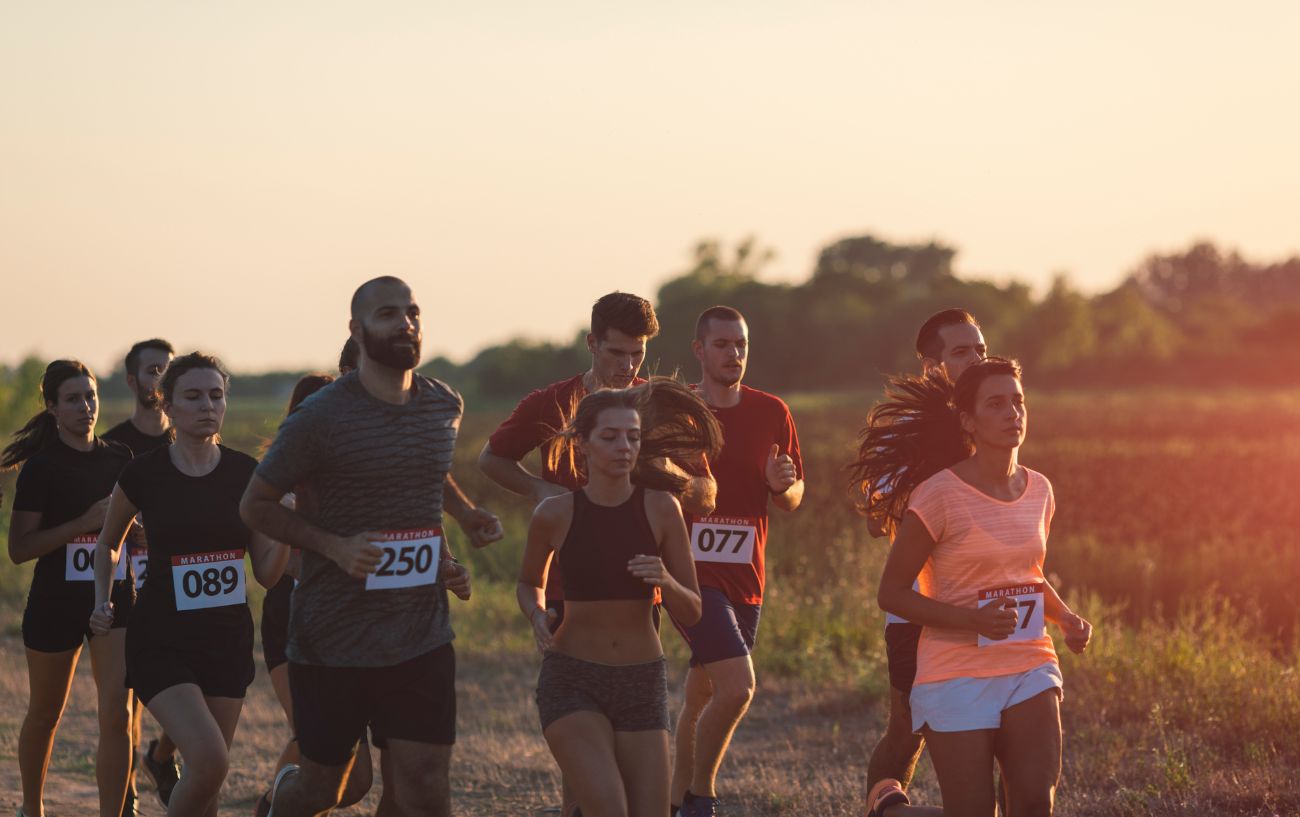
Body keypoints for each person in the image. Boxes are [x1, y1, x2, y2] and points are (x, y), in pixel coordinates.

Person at [242, 276, 472, 817]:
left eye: (413, 312)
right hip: (332, 637)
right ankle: (281, 799)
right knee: (326, 787)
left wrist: (461, 529)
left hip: (420, 633)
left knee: (426, 785)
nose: (406, 324)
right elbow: (255, 505)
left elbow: (425, 480)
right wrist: (335, 547)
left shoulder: (443, 406)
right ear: (357, 328)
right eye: (389, 313)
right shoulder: (321, 416)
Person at [482, 291, 714, 817]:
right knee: (594, 789)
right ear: (592, 344)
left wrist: (655, 488)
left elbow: (705, 489)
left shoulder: (655, 404)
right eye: (617, 353)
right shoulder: (552, 403)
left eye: (638, 355)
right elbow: (490, 459)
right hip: (570, 600)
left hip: (636, 602)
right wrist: (541, 490)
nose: (629, 366)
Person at [859, 358, 1092, 817]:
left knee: (1032, 804)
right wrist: (973, 621)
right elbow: (892, 593)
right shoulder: (937, 495)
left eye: (1019, 401)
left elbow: (1028, 574)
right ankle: (888, 812)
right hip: (954, 672)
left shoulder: (1040, 489)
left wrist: (1064, 617)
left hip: (1028, 663)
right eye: (997, 403)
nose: (1013, 413)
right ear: (968, 420)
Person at [89, 352, 288, 817]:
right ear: (168, 406)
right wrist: (103, 599)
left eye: (216, 395)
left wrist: (282, 522)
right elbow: (107, 544)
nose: (207, 405)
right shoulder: (144, 472)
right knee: (211, 760)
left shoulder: (247, 474)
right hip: (161, 639)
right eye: (194, 396)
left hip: (226, 640)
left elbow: (267, 573)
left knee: (208, 786)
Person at [518, 380, 720, 817]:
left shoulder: (662, 508)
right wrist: (536, 614)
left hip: (641, 680)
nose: (623, 446)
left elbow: (694, 608)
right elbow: (528, 581)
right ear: (583, 445)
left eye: (632, 436)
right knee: (609, 807)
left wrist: (665, 579)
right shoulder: (554, 513)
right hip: (572, 679)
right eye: (609, 437)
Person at [669, 307, 804, 817]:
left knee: (702, 694)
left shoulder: (772, 412)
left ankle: (669, 802)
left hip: (747, 577)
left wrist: (781, 484)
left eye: (741, 344)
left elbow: (794, 496)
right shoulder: (676, 410)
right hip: (689, 577)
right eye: (723, 344)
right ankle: (701, 797)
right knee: (738, 685)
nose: (735, 354)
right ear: (700, 350)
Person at [860, 309, 987, 816]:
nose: (976, 359)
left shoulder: (995, 413)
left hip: (989, 606)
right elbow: (875, 520)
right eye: (962, 352)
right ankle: (879, 808)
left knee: (996, 732)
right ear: (932, 365)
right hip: (918, 611)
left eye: (980, 349)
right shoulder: (908, 430)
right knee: (906, 735)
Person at [5, 360, 136, 817]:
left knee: (117, 715)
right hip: (56, 601)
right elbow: (20, 549)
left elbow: (135, 534)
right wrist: (83, 524)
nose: (86, 407)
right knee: (46, 714)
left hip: (116, 595)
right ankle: (31, 808)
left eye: (91, 396)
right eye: (73, 399)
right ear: (53, 408)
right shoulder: (41, 468)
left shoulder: (121, 458)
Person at [251, 374, 374, 817]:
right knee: (312, 743)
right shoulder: (277, 485)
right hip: (291, 619)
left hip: (348, 624)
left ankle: (273, 804)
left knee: (357, 780)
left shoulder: (356, 479)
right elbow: (281, 566)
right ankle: (274, 809)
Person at [102, 337, 181, 812]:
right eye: (152, 370)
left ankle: (161, 753)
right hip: (128, 580)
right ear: (132, 380)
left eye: (166, 370)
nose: (160, 379)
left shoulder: (189, 439)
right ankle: (126, 795)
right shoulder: (114, 447)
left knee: (198, 681)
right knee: (125, 698)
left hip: (179, 583)